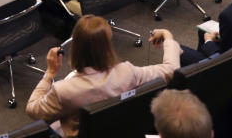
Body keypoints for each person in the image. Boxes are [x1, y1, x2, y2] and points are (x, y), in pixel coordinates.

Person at [26, 16, 179, 138]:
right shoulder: (127, 72)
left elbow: (32, 109)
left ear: (75, 48)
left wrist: (50, 73)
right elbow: (171, 69)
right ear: (107, 46)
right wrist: (167, 36)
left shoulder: (63, 90)